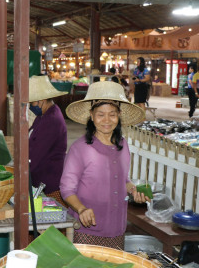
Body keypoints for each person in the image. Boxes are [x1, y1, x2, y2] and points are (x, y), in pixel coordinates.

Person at [61, 81, 148, 250]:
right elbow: (66, 189)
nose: (107, 120)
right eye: (101, 114)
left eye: (112, 114)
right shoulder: (80, 149)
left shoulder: (122, 145)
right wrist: (81, 209)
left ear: (119, 115)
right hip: (87, 231)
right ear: (91, 116)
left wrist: (133, 190)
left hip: (117, 229)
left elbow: (124, 180)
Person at [28, 75, 68, 205]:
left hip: (49, 184)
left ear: (42, 100)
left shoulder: (51, 120)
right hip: (41, 178)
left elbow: (36, 154)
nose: (30, 106)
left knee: (53, 223)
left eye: (32, 102)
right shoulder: (44, 115)